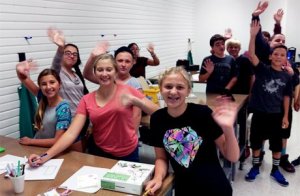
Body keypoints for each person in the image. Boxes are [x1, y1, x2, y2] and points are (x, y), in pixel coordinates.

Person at [28, 53, 159, 165]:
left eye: (109, 69)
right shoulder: (87, 100)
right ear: (95, 73)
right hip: (99, 152)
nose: (104, 74)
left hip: (127, 153)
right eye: (100, 70)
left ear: (115, 71)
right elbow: (71, 133)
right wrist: (45, 156)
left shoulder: (128, 91)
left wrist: (136, 101)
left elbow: (158, 113)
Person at [144, 66, 239, 196]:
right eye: (168, 86)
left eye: (180, 87)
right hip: (184, 189)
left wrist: (228, 128)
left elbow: (232, 156)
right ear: (160, 89)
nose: (173, 92)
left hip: (215, 188)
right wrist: (158, 177)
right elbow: (161, 158)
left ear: (188, 91)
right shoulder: (157, 118)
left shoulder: (203, 113)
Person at [16, 27, 89, 151]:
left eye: (75, 54)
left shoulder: (76, 75)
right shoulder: (57, 73)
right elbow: (28, 79)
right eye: (68, 53)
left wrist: (88, 122)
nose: (48, 86)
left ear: (58, 84)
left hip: (76, 123)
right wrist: (61, 48)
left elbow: (83, 98)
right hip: (63, 125)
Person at [251, 1, 298, 172]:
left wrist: (296, 98)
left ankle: (282, 158)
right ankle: (259, 156)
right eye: (277, 40)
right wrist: (256, 16)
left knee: (282, 133)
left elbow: (295, 81)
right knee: (260, 133)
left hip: (281, 104)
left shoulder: (286, 60)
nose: (280, 42)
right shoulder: (265, 53)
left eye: (283, 42)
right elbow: (260, 39)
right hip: (264, 103)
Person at [245, 20, 293, 187]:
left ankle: (275, 170)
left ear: (285, 58)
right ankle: (256, 167)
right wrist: (252, 36)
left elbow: (287, 96)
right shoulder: (263, 69)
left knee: (277, 145)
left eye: (282, 55)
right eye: (276, 54)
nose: (279, 57)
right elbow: (252, 55)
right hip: (259, 113)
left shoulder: (287, 76)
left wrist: (286, 116)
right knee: (256, 142)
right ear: (270, 56)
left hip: (277, 115)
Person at [16, 67, 80, 150]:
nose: (48, 87)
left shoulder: (63, 108)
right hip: (36, 148)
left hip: (51, 151)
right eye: (44, 84)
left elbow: (58, 140)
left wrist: (31, 141)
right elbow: (23, 78)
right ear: (40, 87)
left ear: (59, 84)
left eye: (52, 82)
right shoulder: (42, 98)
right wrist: (20, 68)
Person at [83, 43, 143, 131]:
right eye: (120, 60)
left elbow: (136, 115)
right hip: (105, 130)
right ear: (114, 62)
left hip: (125, 132)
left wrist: (131, 135)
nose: (123, 64)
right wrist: (92, 57)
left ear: (133, 62)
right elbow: (87, 74)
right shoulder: (107, 79)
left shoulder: (135, 84)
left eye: (127, 61)